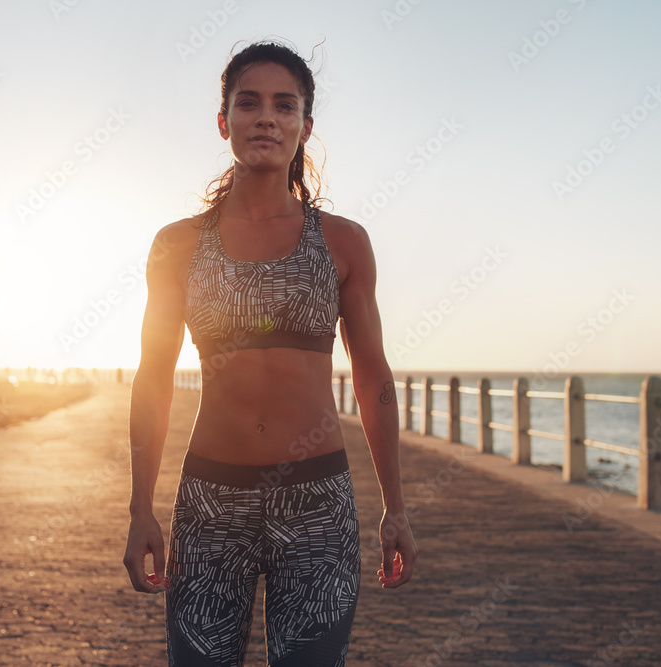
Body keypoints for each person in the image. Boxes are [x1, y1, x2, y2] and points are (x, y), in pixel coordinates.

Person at [122, 39, 418, 666]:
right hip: (209, 500)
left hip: (318, 504)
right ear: (223, 121)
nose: (266, 118)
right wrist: (140, 508)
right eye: (248, 102)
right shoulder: (176, 246)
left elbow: (373, 378)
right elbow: (152, 378)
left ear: (305, 126)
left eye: (285, 106)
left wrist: (396, 508)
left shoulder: (343, 243)